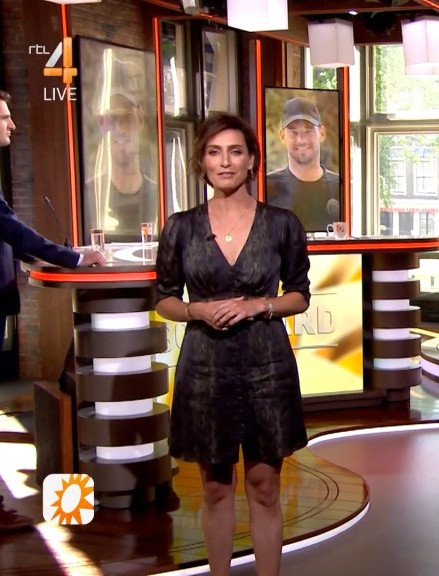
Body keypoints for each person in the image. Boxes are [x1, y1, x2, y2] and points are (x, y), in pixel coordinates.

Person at [155, 113, 310, 576]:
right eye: (214, 152)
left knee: (264, 487)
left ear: (252, 161)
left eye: (235, 152)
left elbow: (299, 295)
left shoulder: (282, 224)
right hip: (205, 368)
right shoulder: (181, 227)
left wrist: (259, 305)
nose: (225, 162)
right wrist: (196, 311)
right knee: (216, 488)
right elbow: (164, 298)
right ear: (201, 162)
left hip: (267, 367)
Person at [0, 84, 105, 532]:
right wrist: (72, 258)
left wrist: (43, 256)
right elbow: (4, 223)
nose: (13, 124)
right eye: (5, 117)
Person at [84, 90, 159, 242]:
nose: (119, 128)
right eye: (112, 120)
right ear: (102, 125)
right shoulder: (89, 195)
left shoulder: (158, 195)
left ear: (140, 120)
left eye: (127, 118)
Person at [265, 96, 341, 232]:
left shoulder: (340, 187)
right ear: (282, 136)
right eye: (293, 132)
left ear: (322, 133)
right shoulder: (267, 187)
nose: (301, 140)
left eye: (309, 130)